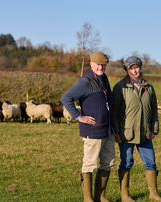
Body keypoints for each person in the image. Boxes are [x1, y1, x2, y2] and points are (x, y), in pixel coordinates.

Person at [61, 52, 115, 202]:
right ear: (91, 64)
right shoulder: (85, 81)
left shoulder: (104, 79)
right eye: (98, 64)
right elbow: (66, 98)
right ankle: (87, 199)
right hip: (93, 130)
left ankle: (100, 196)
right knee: (90, 165)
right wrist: (79, 117)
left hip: (107, 129)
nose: (101, 67)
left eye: (103, 65)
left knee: (108, 163)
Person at [111, 56, 161, 201]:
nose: (134, 71)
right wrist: (116, 132)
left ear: (140, 68)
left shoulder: (148, 86)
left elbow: (154, 109)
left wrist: (154, 129)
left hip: (145, 133)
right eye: (131, 68)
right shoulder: (120, 87)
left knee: (151, 163)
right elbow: (114, 111)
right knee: (126, 162)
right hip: (126, 133)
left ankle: (153, 194)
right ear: (127, 70)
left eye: (136, 67)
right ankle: (125, 195)